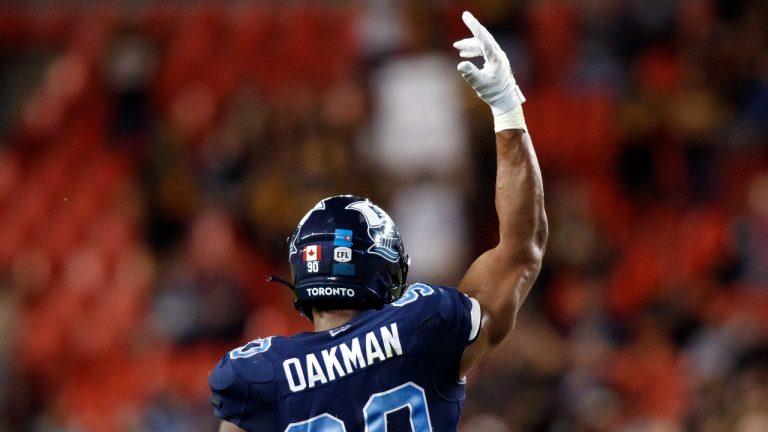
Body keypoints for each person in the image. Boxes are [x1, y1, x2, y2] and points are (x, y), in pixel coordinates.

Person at [208, 11, 547, 432]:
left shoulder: (259, 376)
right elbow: (522, 250)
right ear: (385, 268)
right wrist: (507, 108)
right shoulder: (425, 324)